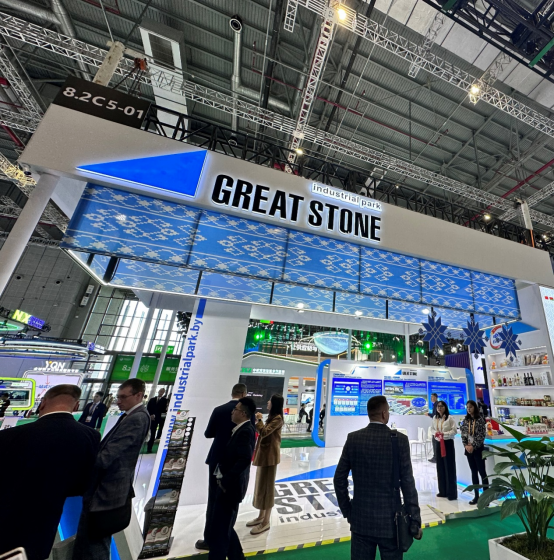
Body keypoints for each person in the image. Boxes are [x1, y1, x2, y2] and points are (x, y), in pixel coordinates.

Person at [0, 384, 100, 560]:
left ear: (43, 403)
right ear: (76, 406)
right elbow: (83, 482)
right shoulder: (90, 436)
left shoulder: (11, 435)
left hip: (7, 518)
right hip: (46, 521)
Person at [333, 396, 421, 560]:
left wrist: (348, 512)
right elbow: (408, 483)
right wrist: (415, 519)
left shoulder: (354, 439)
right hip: (392, 523)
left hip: (360, 521)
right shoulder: (400, 440)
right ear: (384, 413)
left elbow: (339, 479)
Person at [73, 378, 151, 560]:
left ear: (138, 395)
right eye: (118, 397)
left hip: (107, 491)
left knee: (95, 544)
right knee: (91, 540)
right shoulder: (130, 415)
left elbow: (109, 455)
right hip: (107, 488)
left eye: (123, 397)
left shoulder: (137, 418)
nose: (118, 401)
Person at [196, 383, 253, 551]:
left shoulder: (219, 410)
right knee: (230, 502)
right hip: (235, 465)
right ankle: (225, 536)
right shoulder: (247, 416)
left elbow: (208, 433)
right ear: (243, 394)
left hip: (217, 460)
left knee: (213, 499)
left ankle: (209, 539)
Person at [209, 397, 256, 560]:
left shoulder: (245, 431)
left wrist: (226, 480)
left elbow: (244, 459)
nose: (232, 412)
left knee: (220, 529)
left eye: (235, 409)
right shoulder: (240, 429)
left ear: (243, 413)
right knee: (224, 525)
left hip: (230, 488)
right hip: (229, 486)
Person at [247, 394, 284, 535]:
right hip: (264, 458)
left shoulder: (278, 418)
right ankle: (261, 516)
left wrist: (259, 420)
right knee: (261, 486)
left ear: (274, 404)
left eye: (270, 401)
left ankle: (266, 521)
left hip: (270, 459)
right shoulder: (272, 417)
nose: (268, 402)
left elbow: (264, 432)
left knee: (267, 489)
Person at [461, 400, 488, 505]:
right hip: (468, 449)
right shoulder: (466, 420)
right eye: (467, 407)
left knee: (482, 473)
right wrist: (466, 445)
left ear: (475, 408)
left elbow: (481, 435)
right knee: (473, 472)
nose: (469, 409)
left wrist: (473, 445)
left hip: (478, 449)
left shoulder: (480, 419)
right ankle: (476, 496)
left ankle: (486, 498)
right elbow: (463, 434)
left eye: (471, 407)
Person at [432, 400, 458, 500]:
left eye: (441, 406)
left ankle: (451, 493)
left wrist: (444, 434)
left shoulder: (450, 418)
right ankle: (442, 491)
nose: (439, 408)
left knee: (449, 467)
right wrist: (436, 433)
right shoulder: (435, 418)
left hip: (447, 443)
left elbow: (454, 431)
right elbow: (432, 429)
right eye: (438, 406)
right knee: (440, 467)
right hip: (438, 443)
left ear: (445, 407)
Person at [147, 387, 168, 453]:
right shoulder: (152, 400)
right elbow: (148, 408)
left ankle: (153, 445)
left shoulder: (165, 400)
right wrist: (151, 415)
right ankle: (149, 447)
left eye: (162, 392)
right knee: (152, 433)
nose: (161, 393)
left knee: (158, 432)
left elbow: (164, 410)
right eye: (160, 391)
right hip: (152, 418)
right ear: (158, 391)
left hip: (159, 418)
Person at [427, 393, 438, 463]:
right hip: (435, 425)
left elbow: (435, 415)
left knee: (435, 441)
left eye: (432, 397)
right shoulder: (435, 405)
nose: (431, 398)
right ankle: (436, 457)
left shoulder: (437, 405)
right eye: (431, 397)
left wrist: (428, 414)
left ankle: (436, 457)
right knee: (434, 441)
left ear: (435, 397)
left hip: (437, 426)